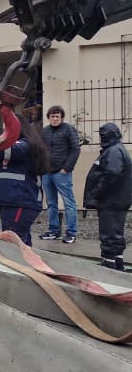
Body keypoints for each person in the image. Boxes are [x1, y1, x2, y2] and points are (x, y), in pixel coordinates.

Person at [83, 122, 132, 271]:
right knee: (115, 233)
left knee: (109, 232)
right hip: (118, 199)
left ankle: (109, 264)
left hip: (111, 200)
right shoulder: (118, 149)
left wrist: (98, 191)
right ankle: (117, 262)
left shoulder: (113, 151)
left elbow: (112, 173)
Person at [0, 132, 47, 245]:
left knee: (13, 242)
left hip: (21, 202)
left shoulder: (26, 145)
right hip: (12, 201)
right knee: (21, 242)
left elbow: (5, 150)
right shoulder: (21, 144)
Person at [39, 104, 81, 245]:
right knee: (51, 203)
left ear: (61, 117)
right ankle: (53, 231)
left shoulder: (69, 130)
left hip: (62, 173)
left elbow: (75, 149)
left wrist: (67, 168)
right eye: (53, 116)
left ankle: (71, 233)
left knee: (69, 203)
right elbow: (40, 150)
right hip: (47, 172)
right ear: (48, 117)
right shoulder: (44, 131)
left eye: (57, 116)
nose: (55, 119)